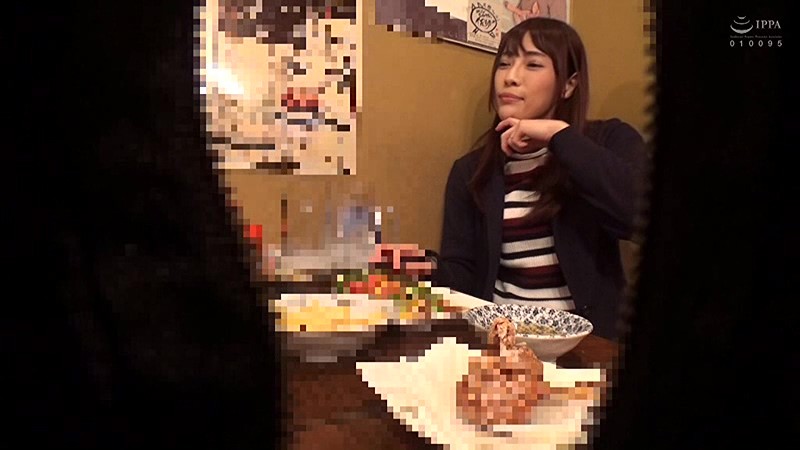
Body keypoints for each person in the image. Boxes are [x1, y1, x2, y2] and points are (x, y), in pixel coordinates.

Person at [433, 17, 647, 340]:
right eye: (504, 63)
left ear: (569, 85)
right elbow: (465, 277)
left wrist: (558, 134)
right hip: (503, 342)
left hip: (586, 348)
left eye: (532, 64)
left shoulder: (605, 141)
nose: (510, 77)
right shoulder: (471, 171)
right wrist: (426, 267)